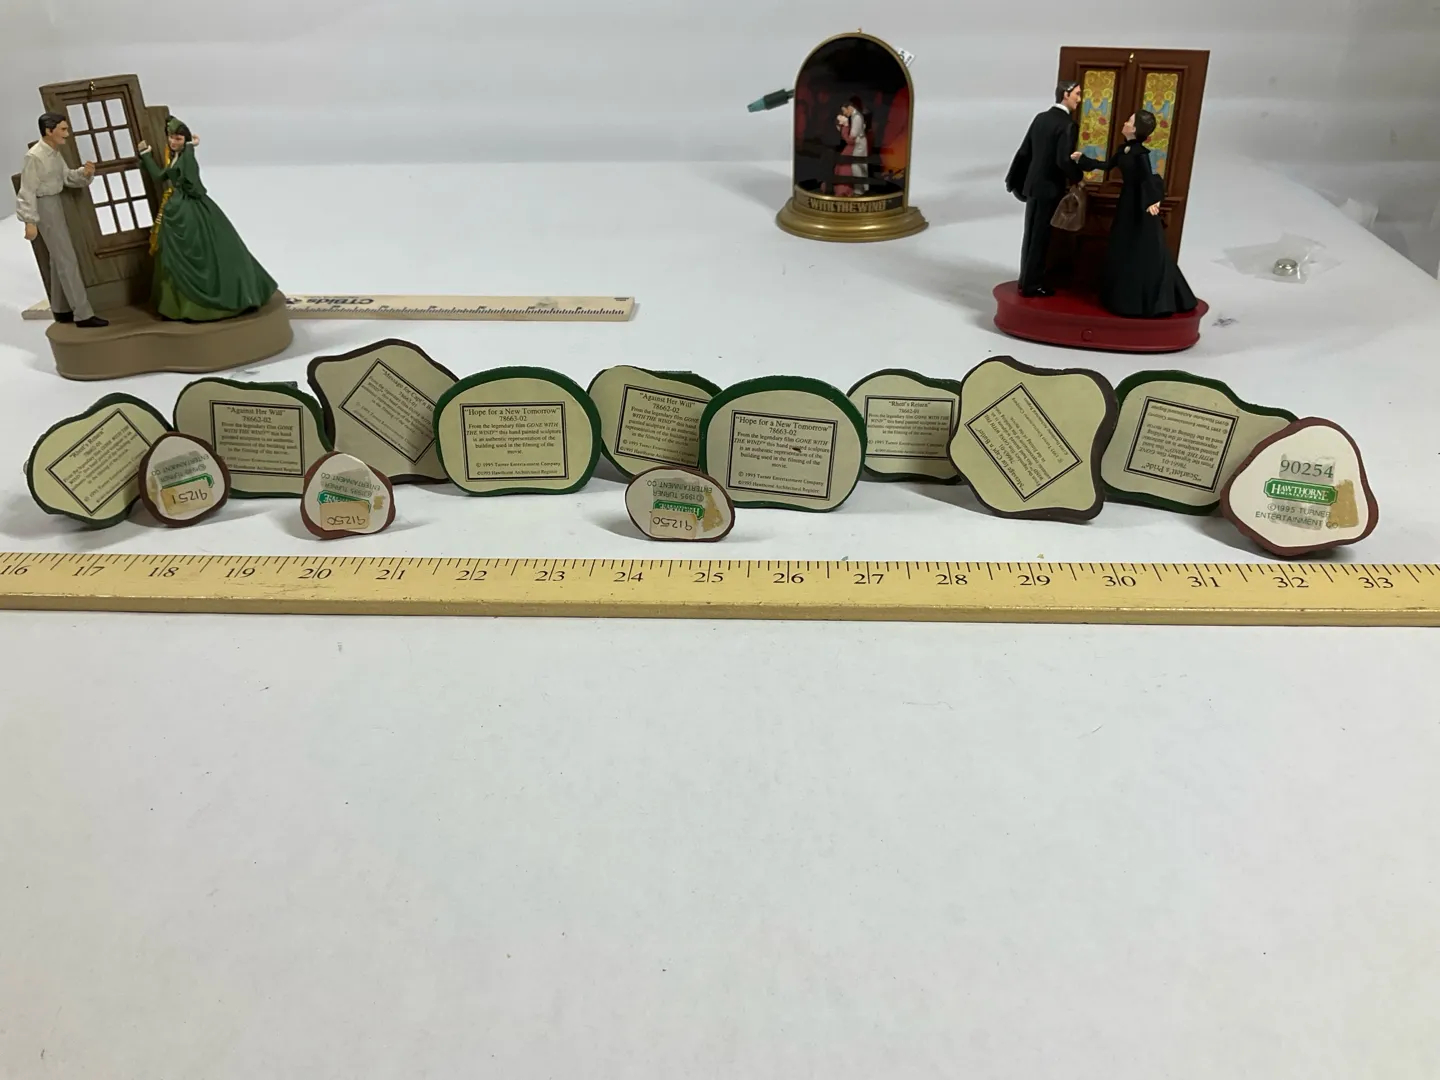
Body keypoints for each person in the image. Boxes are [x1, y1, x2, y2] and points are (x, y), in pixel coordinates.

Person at [136, 117, 277, 322]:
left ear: (185, 140)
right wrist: (146, 155)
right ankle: (177, 304)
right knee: (175, 254)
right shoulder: (176, 158)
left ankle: (206, 302)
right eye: (171, 138)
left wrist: (190, 151)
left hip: (189, 209)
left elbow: (195, 186)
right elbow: (159, 176)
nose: (173, 142)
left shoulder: (186, 159)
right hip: (176, 209)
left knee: (206, 248)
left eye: (178, 139)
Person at [1072, 110, 1197, 317]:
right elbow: (1107, 165)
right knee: (1123, 245)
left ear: (1136, 129)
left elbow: (1148, 179)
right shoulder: (1123, 150)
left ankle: (1149, 302)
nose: (1124, 123)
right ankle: (1121, 298)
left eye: (1129, 121)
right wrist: (1083, 159)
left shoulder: (1141, 154)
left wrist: (1153, 201)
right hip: (1127, 202)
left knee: (1144, 248)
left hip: (1139, 204)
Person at [16, 114, 108, 327]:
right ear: (49, 131)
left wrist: (84, 174)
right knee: (66, 258)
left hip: (55, 204)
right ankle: (83, 314)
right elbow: (27, 190)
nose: (67, 134)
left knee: (58, 257)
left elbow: (66, 177)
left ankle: (61, 309)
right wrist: (29, 221)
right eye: (63, 129)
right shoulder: (35, 156)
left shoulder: (55, 153)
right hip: (45, 206)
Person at [1006, 81, 1085, 297]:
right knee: (1041, 238)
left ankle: (1025, 279)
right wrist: (1078, 176)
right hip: (1050, 187)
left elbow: (1025, 151)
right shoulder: (1067, 125)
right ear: (1066, 94)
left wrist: (1015, 179)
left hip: (1033, 185)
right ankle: (1032, 285)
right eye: (1077, 94)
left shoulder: (1040, 118)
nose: (1079, 99)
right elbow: (1063, 160)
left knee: (1031, 234)